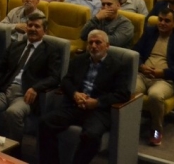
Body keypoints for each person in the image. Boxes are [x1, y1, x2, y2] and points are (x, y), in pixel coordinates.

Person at [37, 30, 131, 164]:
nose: (93, 46)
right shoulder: (79, 60)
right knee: (45, 123)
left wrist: (97, 102)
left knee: (91, 136)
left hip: (98, 111)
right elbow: (66, 81)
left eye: (98, 42)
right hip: (75, 105)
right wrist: (75, 94)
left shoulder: (119, 66)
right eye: (90, 43)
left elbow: (123, 93)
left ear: (107, 46)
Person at [0, 13, 62, 141]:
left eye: (37, 26)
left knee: (13, 113)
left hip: (25, 96)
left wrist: (36, 88)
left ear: (45, 31)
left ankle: (13, 152)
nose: (32, 29)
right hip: (4, 91)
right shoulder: (16, 45)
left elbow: (54, 77)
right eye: (30, 25)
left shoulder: (50, 50)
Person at [133, 10, 174, 146]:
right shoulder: (149, 32)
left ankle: (156, 131)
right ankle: (129, 126)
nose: (162, 23)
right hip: (142, 75)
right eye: (160, 19)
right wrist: (141, 66)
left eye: (167, 21)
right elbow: (135, 51)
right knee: (130, 90)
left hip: (164, 80)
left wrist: (164, 72)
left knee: (155, 95)